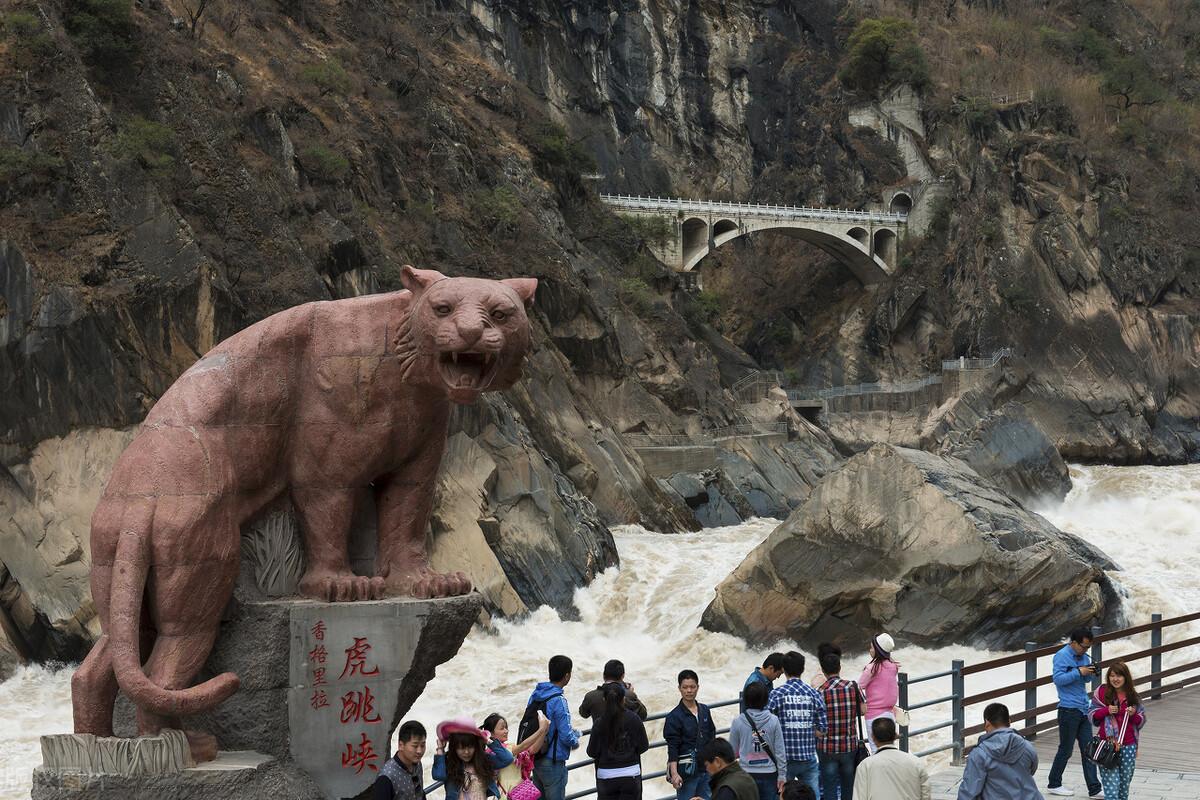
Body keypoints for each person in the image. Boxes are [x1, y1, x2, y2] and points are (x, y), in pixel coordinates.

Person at [1047, 627, 1102, 798]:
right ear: (1073, 643)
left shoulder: (1084, 656)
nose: (1085, 650)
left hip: (1083, 708)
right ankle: (1054, 783)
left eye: (1088, 647)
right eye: (1083, 646)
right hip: (1068, 709)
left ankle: (1094, 788)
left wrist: (1091, 672)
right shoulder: (1062, 656)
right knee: (1066, 749)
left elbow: (1085, 679)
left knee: (1089, 750)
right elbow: (1058, 679)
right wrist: (1079, 671)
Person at [767, 651, 827, 798]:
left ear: (784, 669)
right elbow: (823, 728)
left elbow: (766, 725)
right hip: (808, 756)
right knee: (812, 796)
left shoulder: (776, 694)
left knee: (782, 795)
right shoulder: (813, 694)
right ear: (803, 669)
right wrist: (807, 728)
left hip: (784, 759)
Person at [956, 703, 1040, 800]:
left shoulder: (979, 754)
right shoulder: (1027, 746)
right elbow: (1031, 770)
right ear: (1009, 721)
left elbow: (969, 792)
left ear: (987, 724)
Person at [1088, 661, 1147, 800]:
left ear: (1126, 677)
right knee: (1111, 790)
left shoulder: (1133, 696)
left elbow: (1141, 721)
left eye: (1119, 675)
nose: (1115, 679)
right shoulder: (1101, 692)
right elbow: (1092, 715)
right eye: (1112, 676)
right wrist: (1105, 710)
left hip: (1128, 746)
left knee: (1124, 786)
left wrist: (1133, 715)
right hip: (1107, 746)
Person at [527, 654, 581, 800]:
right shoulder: (558, 700)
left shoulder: (536, 695)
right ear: (567, 676)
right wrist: (576, 740)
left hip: (536, 758)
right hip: (553, 762)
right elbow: (565, 734)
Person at [587, 682, 650, 800]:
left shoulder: (599, 723)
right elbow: (644, 746)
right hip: (630, 774)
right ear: (623, 699)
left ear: (604, 700)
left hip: (606, 776)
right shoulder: (634, 719)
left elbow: (592, 752)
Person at [816, 646, 861, 800]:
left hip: (827, 747)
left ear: (823, 670)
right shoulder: (853, 686)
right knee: (848, 784)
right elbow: (863, 710)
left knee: (829, 786)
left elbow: (816, 719)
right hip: (849, 746)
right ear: (840, 667)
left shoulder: (820, 691)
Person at [728, 681, 787, 800]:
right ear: (766, 699)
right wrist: (782, 775)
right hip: (770, 773)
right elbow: (780, 752)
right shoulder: (774, 720)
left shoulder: (738, 722)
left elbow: (731, 753)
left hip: (746, 774)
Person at [665, 669, 717, 800]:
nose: (689, 690)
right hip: (686, 772)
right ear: (679, 689)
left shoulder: (704, 710)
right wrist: (674, 773)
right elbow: (673, 747)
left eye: (692, 687)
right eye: (685, 687)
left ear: (698, 687)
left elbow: (711, 736)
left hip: (706, 769)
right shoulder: (674, 716)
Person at [433, 718, 515, 800]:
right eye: (461, 748)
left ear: (476, 746)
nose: (466, 752)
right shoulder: (450, 763)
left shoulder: (483, 760)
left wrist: (487, 740)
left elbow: (507, 758)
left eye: (470, 747)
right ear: (454, 748)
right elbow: (438, 775)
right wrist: (440, 749)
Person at [851, 718, 930, 800]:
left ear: (873, 737)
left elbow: (859, 797)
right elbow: (926, 795)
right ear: (895, 735)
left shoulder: (865, 766)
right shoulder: (916, 762)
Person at [482, 711, 550, 798]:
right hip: (507, 795)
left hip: (520, 794)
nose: (506, 731)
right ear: (490, 733)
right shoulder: (493, 753)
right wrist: (541, 730)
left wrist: (544, 731)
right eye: (502, 728)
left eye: (506, 727)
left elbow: (532, 750)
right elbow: (524, 745)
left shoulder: (509, 747)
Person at [857, 633, 899, 755]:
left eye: (871, 648)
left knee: (876, 750)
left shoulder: (871, 668)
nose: (870, 650)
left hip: (873, 715)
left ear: (878, 650)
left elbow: (858, 687)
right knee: (890, 749)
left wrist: (862, 703)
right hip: (890, 713)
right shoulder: (893, 667)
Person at [580, 659, 649, 720]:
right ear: (623, 676)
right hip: (624, 734)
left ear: (604, 675)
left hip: (600, 734)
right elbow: (643, 715)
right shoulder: (629, 695)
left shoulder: (591, 696)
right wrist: (631, 693)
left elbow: (584, 714)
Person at [375, 720, 428, 800]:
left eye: (422, 745)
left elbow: (420, 794)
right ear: (401, 745)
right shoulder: (386, 777)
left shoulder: (417, 764)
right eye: (415, 746)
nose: (419, 751)